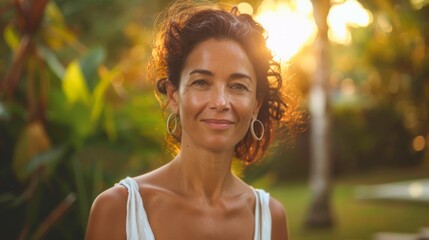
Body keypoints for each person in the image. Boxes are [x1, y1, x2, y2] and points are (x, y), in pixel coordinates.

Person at [86, 0, 298, 239]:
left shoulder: (270, 219)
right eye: (201, 82)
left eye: (238, 86)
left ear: (256, 105)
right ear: (173, 95)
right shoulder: (119, 210)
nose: (220, 102)